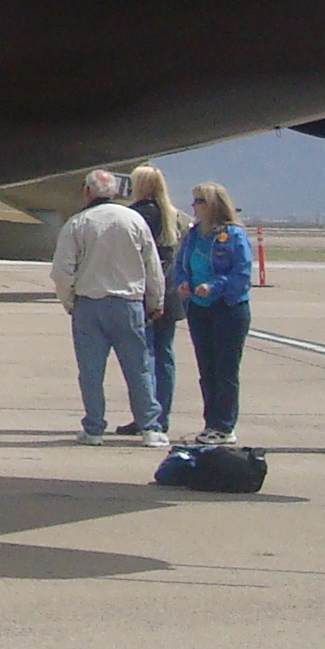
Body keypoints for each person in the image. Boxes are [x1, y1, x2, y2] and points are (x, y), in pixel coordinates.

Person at [51, 168, 163, 444]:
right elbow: (152, 265)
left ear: (88, 192)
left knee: (91, 372)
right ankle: (150, 427)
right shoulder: (133, 220)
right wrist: (155, 300)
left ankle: (94, 428)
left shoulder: (78, 223)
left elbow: (62, 270)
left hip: (89, 304)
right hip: (128, 303)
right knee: (138, 368)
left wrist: (69, 302)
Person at [177, 182, 254, 446]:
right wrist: (183, 281)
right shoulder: (193, 234)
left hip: (228, 308)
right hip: (199, 307)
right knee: (206, 368)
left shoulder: (232, 234)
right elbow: (181, 264)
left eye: (199, 201)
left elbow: (241, 273)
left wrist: (214, 286)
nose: (194, 206)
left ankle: (224, 425)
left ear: (213, 205)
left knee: (225, 370)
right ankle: (211, 422)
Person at [131, 163, 184, 433]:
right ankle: (162, 417)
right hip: (170, 291)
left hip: (146, 291)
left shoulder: (137, 215)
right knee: (165, 356)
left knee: (145, 356)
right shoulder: (171, 214)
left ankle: (147, 415)